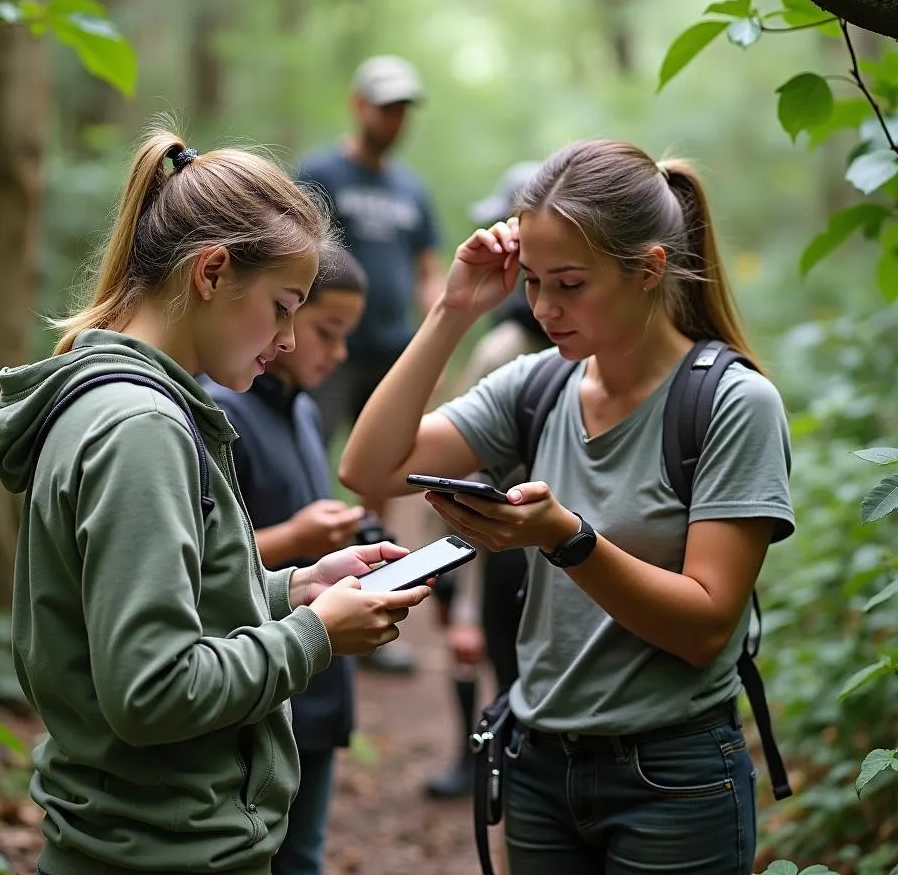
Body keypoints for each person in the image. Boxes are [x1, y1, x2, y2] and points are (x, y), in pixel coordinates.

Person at [0, 126, 431, 875]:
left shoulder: (125, 405)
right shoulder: (142, 429)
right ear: (212, 273)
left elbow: (145, 610)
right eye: (283, 306)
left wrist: (291, 589)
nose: (287, 339)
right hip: (160, 851)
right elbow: (152, 691)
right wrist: (316, 633)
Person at [339, 139, 794, 875]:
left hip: (672, 777)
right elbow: (371, 468)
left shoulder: (732, 404)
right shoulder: (538, 385)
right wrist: (454, 310)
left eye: (571, 285)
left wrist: (567, 539)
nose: (545, 308)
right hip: (539, 764)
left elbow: (706, 627)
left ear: (647, 270)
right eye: (534, 282)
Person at [199, 246, 371, 875]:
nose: (334, 350)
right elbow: (205, 566)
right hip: (254, 671)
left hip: (315, 671)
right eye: (323, 329)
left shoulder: (301, 408)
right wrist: (298, 535)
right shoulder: (221, 412)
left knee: (304, 852)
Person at [298, 54, 445, 675]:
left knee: (383, 478)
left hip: (391, 355)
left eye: (403, 109)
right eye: (385, 106)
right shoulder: (320, 173)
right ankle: (301, 600)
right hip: (329, 356)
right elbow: (293, 250)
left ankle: (376, 598)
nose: (394, 119)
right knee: (310, 462)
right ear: (359, 105)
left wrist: (442, 325)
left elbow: (427, 271)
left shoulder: (412, 190)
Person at [424, 162, 547, 802]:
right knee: (489, 652)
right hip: (498, 539)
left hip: (536, 546)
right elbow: (462, 468)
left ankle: (503, 765)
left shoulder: (527, 349)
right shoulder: (504, 350)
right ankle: (476, 758)